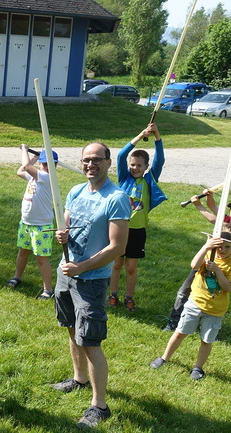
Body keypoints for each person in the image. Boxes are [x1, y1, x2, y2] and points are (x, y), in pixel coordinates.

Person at [52, 142, 130, 429]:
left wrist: (82, 267)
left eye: (97, 159)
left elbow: (117, 247)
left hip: (92, 281)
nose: (90, 164)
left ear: (109, 162)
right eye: (86, 160)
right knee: (72, 330)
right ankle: (79, 379)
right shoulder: (75, 191)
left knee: (91, 341)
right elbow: (68, 226)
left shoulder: (117, 198)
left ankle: (100, 406)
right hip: (66, 273)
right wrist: (63, 234)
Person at [150, 227, 231, 380]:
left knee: (206, 341)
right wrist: (206, 247)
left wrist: (217, 270)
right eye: (219, 245)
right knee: (180, 332)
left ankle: (198, 368)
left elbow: (227, 287)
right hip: (195, 304)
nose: (223, 250)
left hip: (215, 310)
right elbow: (194, 265)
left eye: (228, 246)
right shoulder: (208, 254)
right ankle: (164, 358)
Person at [108, 123, 166, 312]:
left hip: (138, 230)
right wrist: (140, 136)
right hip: (119, 227)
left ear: (146, 167)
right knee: (116, 263)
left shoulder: (149, 179)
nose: (135, 168)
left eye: (139, 165)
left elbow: (160, 160)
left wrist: (157, 136)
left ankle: (129, 297)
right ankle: (113, 294)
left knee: (131, 267)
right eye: (132, 165)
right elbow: (120, 155)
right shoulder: (124, 178)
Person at [164, 189, 231, 331]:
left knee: (214, 295)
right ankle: (174, 322)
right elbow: (214, 210)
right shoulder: (225, 222)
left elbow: (213, 218)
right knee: (184, 292)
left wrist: (198, 205)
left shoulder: (225, 224)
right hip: (206, 262)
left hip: (224, 269)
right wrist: (205, 199)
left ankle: (209, 326)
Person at [6, 145, 57, 300]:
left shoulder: (48, 177)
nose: (48, 166)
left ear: (55, 165)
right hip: (26, 223)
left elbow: (27, 167)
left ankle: (48, 290)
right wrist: (35, 157)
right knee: (23, 252)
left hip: (41, 227)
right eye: (44, 163)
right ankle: (17, 277)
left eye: (51, 164)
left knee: (41, 259)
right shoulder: (36, 176)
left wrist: (25, 150)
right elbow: (21, 171)